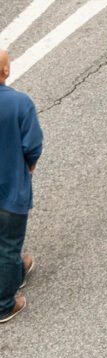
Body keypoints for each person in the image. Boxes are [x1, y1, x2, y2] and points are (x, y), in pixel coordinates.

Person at [0, 50, 43, 324]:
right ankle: (4, 303)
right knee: (8, 244)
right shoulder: (18, 103)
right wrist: (30, 165)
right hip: (9, 190)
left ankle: (16, 270)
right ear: (5, 70)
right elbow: (32, 145)